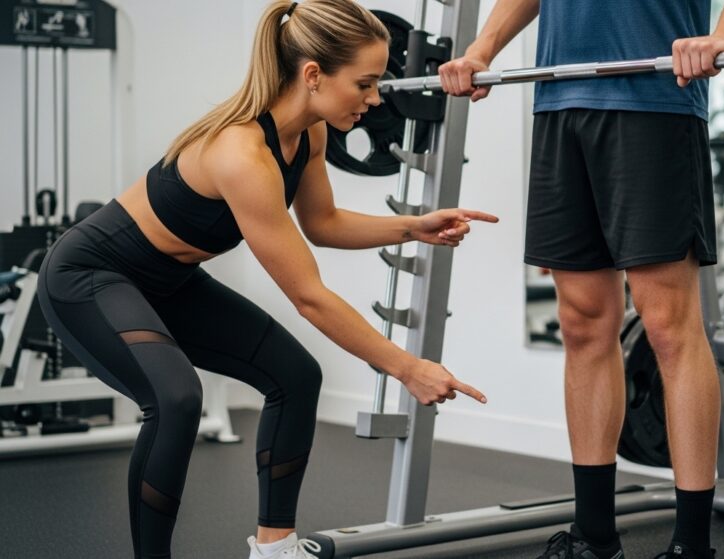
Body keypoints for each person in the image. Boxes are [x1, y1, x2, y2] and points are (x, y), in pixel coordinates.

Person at [36, 1, 496, 558]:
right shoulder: (241, 153)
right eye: (367, 83)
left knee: (295, 376)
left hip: (168, 279)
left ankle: (274, 550)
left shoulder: (309, 134)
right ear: (312, 75)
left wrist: (414, 226)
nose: (376, 99)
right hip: (90, 276)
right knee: (177, 399)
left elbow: (322, 224)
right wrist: (407, 368)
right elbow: (308, 296)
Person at [439, 1, 724, 557]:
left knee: (667, 326)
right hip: (558, 97)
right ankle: (594, 539)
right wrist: (481, 48)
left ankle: (692, 547)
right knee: (582, 323)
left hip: (655, 93)